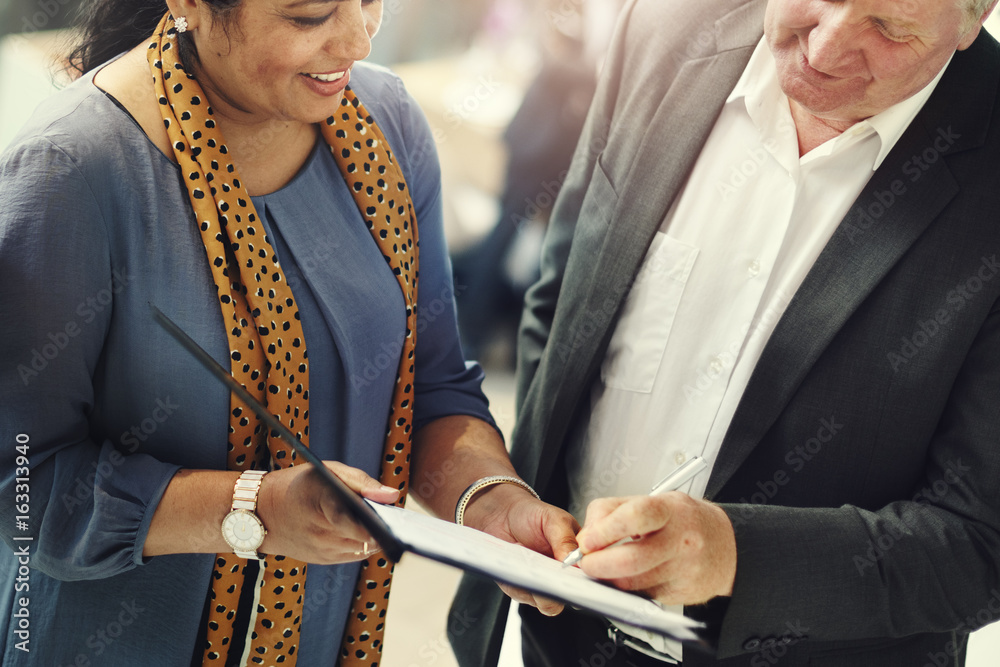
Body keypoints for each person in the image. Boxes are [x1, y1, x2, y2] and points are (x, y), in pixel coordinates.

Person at [0, 0, 576, 664]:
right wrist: (252, 507)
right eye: (310, 17)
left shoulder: (386, 127)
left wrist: (489, 502)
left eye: (369, 1)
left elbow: (430, 384)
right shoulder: (72, 171)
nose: (359, 41)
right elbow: (23, 483)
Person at [449, 0, 1000, 665]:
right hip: (551, 637)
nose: (825, 50)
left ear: (977, 16)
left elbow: (981, 543)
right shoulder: (663, 27)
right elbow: (562, 299)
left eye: (887, 29)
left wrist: (735, 554)